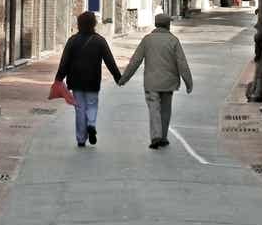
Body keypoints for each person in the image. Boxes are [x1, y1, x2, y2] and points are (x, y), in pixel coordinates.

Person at [119, 13, 193, 149]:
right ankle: (163, 137)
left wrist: (124, 79)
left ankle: (156, 136)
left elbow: (135, 61)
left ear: (156, 24)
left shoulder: (147, 40)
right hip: (169, 83)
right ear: (168, 25)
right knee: (165, 110)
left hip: (151, 83)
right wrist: (189, 82)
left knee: (154, 109)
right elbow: (182, 63)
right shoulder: (174, 41)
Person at [54, 11, 122, 149]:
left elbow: (64, 62)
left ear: (79, 24)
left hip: (76, 80)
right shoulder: (99, 41)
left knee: (79, 108)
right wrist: (118, 77)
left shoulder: (72, 40)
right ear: (94, 24)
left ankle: (80, 138)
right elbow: (110, 61)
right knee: (92, 104)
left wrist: (59, 78)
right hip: (93, 80)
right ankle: (91, 124)